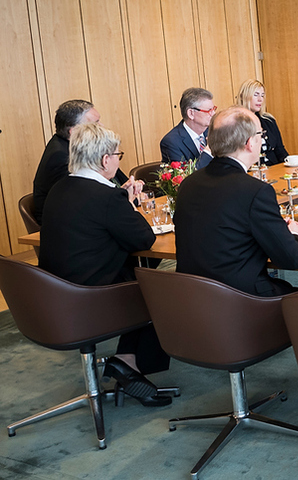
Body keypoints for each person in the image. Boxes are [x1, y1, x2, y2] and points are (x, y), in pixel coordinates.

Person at [39, 123, 171, 406]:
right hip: (90, 301)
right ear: (104, 160)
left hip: (51, 296)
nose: (117, 160)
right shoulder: (108, 197)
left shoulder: (60, 188)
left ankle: (126, 360)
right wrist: (130, 204)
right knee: (158, 289)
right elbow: (144, 238)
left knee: (140, 276)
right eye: (117, 155)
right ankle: (129, 363)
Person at [174, 106, 298, 296]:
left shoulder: (188, 183)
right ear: (250, 143)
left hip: (193, 299)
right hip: (241, 302)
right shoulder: (255, 191)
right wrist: (295, 235)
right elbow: (292, 258)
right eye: (261, 134)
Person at [32, 99, 140, 224]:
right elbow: (89, 199)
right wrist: (127, 199)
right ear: (74, 132)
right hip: (70, 227)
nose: (102, 127)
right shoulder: (61, 157)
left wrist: (130, 190)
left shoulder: (84, 147)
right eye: (95, 123)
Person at [237, 79, 289, 166]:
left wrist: (291, 164)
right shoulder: (235, 123)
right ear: (244, 96)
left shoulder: (269, 120)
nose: (260, 99)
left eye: (262, 95)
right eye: (256, 95)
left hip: (274, 167)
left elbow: (280, 150)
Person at [159, 87, 215, 168]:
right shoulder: (171, 142)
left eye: (214, 109)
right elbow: (187, 177)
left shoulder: (214, 131)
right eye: (209, 111)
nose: (213, 114)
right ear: (191, 113)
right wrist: (208, 150)